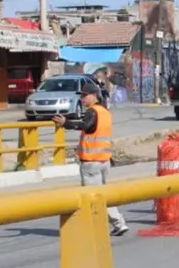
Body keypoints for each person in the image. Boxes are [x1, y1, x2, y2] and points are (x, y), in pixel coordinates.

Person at [54, 83, 129, 236]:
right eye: (81, 95)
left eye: (84, 95)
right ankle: (118, 223)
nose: (82, 99)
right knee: (101, 195)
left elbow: (85, 125)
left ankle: (96, 228)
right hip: (104, 160)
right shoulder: (105, 112)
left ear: (94, 95)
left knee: (92, 198)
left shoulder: (92, 111)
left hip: (91, 162)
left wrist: (65, 123)